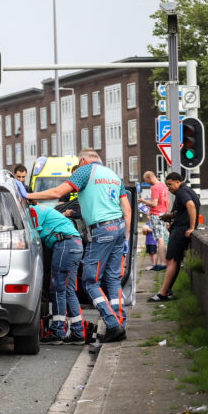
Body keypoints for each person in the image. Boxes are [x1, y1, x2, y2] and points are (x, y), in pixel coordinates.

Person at [18, 148, 130, 343]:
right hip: (119, 227)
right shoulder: (112, 174)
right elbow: (127, 210)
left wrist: (27, 196)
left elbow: (58, 192)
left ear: (84, 160)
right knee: (112, 279)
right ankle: (120, 323)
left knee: (89, 281)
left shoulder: (85, 170)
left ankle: (112, 324)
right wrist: (126, 238)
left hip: (102, 230)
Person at [21, 188, 86, 345]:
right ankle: (78, 332)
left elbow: (30, 235)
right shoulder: (41, 209)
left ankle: (57, 332)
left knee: (57, 288)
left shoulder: (33, 211)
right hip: (74, 244)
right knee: (68, 289)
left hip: (65, 244)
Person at [147, 172, 200, 302]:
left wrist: (192, 227)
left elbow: (191, 206)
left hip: (180, 231)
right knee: (174, 261)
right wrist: (169, 216)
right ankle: (167, 290)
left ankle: (163, 294)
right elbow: (182, 210)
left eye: (170, 185)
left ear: (178, 181)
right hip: (180, 228)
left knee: (171, 261)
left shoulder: (182, 192)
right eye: (167, 185)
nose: (168, 188)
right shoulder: (186, 190)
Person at [138, 171, 169, 271]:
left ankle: (163, 263)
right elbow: (165, 202)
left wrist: (143, 201)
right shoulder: (163, 186)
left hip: (156, 215)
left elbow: (154, 204)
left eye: (146, 180)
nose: (146, 183)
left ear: (149, 178)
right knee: (161, 239)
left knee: (159, 239)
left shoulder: (155, 187)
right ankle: (159, 263)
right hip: (163, 214)